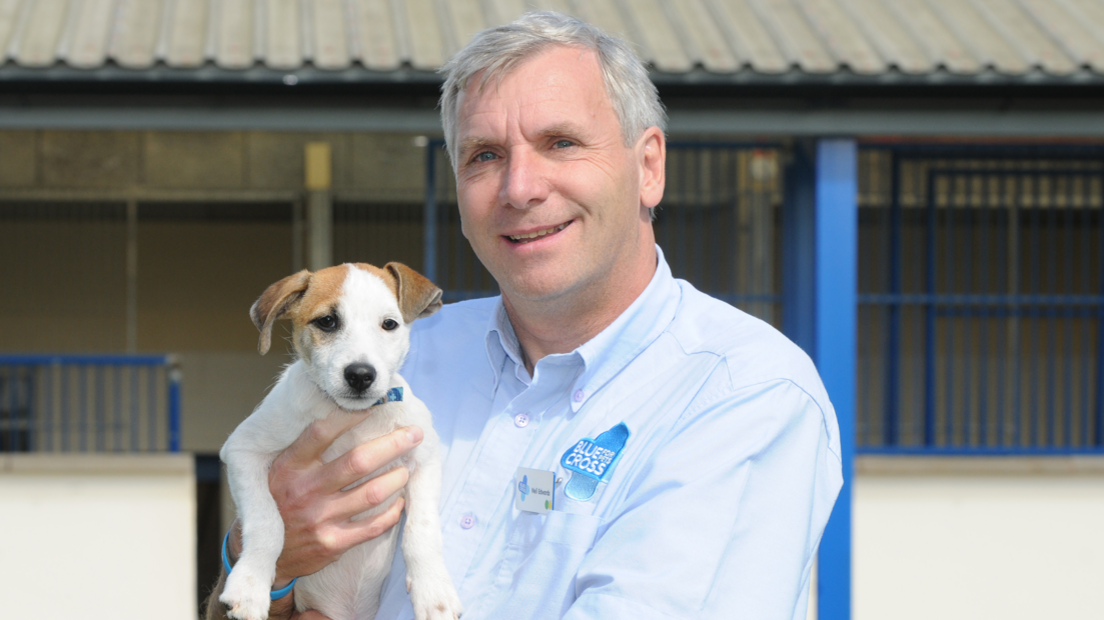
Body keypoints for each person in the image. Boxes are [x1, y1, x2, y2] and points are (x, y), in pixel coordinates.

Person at [207, 11, 841, 620]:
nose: (519, 188)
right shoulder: (404, 355)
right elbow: (238, 604)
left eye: (561, 143)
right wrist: (266, 560)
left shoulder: (741, 395)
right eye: (483, 155)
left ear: (649, 167)